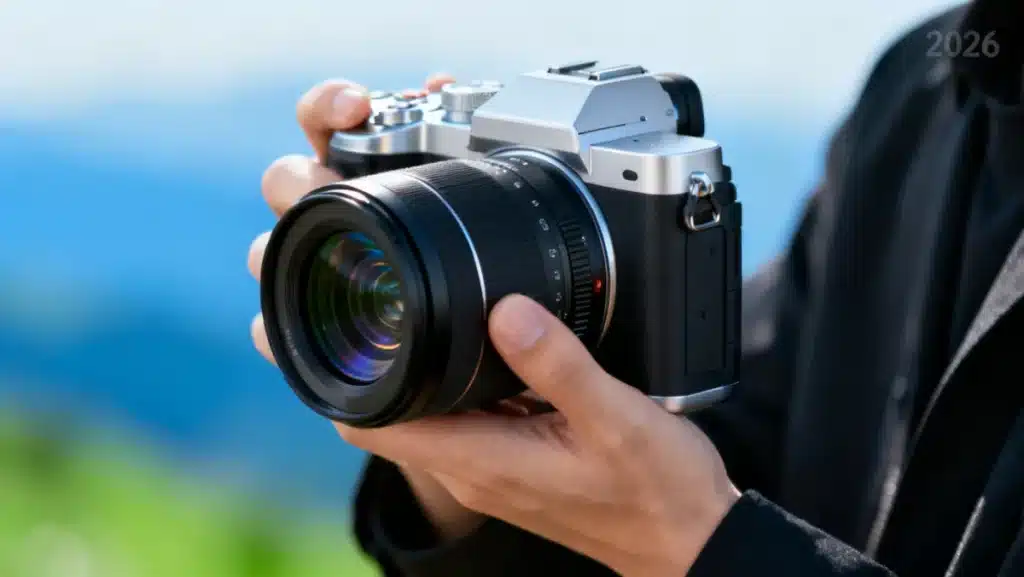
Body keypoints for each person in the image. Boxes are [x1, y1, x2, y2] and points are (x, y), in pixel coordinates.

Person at [247, 0, 1024, 574]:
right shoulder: (929, 88)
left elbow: (691, 520)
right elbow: (713, 458)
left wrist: (705, 549)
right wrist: (454, 430)